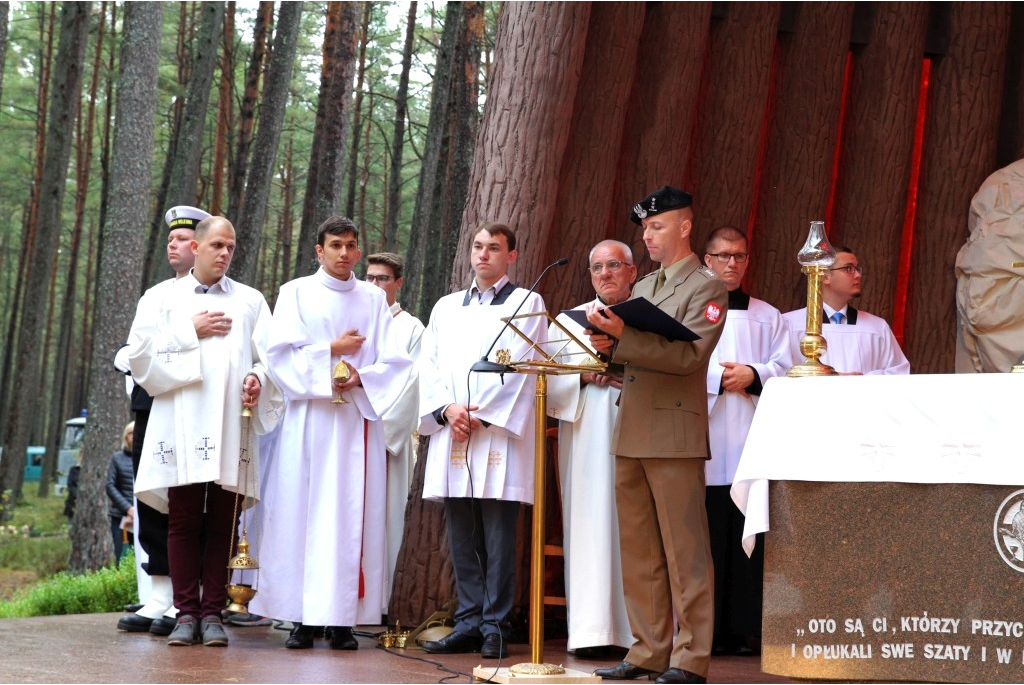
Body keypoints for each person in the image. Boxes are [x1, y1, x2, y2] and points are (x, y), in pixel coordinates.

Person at [586, 186, 727, 685]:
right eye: (644, 228)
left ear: (684, 228)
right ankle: (647, 649)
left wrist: (625, 339)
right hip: (633, 427)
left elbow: (689, 358)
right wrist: (604, 345)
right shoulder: (642, 288)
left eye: (657, 226)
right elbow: (633, 355)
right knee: (640, 550)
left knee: (684, 551)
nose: (647, 236)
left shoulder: (706, 288)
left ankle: (690, 657)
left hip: (672, 432)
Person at [250, 217, 412, 650]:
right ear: (318, 252)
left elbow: (394, 361)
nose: (344, 253)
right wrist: (331, 354)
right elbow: (279, 354)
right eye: (335, 245)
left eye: (351, 246)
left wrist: (360, 377)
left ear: (359, 252)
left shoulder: (374, 298)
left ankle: (342, 619)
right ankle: (301, 618)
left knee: (349, 516)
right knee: (301, 514)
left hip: (354, 423)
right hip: (308, 422)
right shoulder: (295, 292)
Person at [130, 216, 283, 648]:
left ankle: (213, 612)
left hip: (230, 422)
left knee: (223, 521)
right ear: (195, 248)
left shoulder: (250, 300)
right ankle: (185, 613)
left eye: (231, 246)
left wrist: (257, 377)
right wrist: (188, 331)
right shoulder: (161, 298)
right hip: (179, 420)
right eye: (217, 244)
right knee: (181, 518)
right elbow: (139, 356)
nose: (225, 253)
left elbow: (270, 357)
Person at [419, 222, 548, 660]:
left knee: (497, 534)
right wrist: (446, 411)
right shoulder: (446, 306)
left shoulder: (528, 303)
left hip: (496, 437)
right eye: (478, 246)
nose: (484, 254)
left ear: (511, 256)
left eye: (494, 248)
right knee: (462, 532)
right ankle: (469, 620)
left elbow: (525, 368)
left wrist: (480, 415)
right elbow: (429, 366)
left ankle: (496, 624)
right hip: (453, 430)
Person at [115, 205, 209, 637]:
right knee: (152, 491)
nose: (173, 246)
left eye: (183, 239)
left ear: (201, 245)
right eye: (170, 240)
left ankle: (190, 594)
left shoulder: (222, 295)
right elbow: (135, 348)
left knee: (187, 498)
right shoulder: (155, 295)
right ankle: (160, 592)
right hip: (153, 402)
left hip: (193, 404)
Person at [701, 226, 791, 655]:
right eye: (722, 256)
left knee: (744, 526)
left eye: (739, 256)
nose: (731, 263)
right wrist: (720, 377)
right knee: (708, 529)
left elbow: (787, 365)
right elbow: (676, 359)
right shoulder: (691, 309)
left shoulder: (768, 315)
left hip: (750, 435)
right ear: (706, 260)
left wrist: (754, 375)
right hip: (706, 435)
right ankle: (708, 628)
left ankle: (743, 627)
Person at [546, 240, 636, 658]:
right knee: (589, 524)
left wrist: (621, 358)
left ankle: (640, 634)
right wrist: (585, 375)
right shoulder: (568, 320)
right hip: (586, 436)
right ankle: (591, 629)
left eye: (614, 265)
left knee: (635, 527)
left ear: (632, 272)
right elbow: (548, 383)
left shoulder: (649, 316)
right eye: (597, 267)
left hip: (638, 427)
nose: (605, 273)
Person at [364, 251, 424, 610]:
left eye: (382, 279)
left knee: (384, 521)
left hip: (386, 440)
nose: (373, 285)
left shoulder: (410, 328)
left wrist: (383, 432)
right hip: (350, 437)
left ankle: (379, 603)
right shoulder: (355, 320)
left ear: (398, 283)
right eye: (369, 278)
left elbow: (411, 383)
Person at [782, 246, 910, 374]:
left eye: (857, 269)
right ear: (825, 276)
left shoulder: (876, 327)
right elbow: (779, 373)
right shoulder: (789, 324)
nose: (858, 275)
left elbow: (898, 374)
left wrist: (860, 382)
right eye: (848, 269)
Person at [106, 421, 136, 565]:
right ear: (126, 437)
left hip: (143, 518)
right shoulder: (117, 458)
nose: (134, 436)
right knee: (122, 557)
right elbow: (110, 486)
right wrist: (128, 509)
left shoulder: (146, 458)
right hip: (120, 518)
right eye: (131, 433)